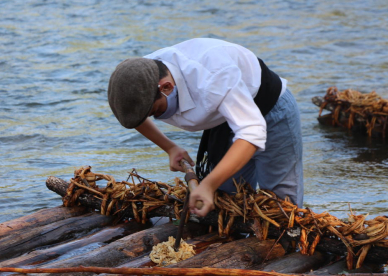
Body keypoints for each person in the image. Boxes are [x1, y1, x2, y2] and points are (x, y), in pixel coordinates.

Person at [107, 38, 303, 217]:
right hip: (223, 122)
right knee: (227, 200)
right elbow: (135, 116)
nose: (155, 118)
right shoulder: (137, 77)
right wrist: (169, 147)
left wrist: (208, 185)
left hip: (270, 112)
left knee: (282, 205)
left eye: (154, 111)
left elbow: (252, 132)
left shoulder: (213, 77)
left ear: (166, 87)